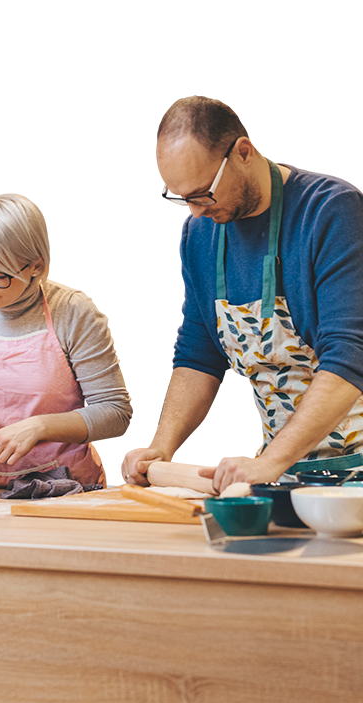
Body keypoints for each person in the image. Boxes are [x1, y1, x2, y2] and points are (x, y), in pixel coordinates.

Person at [122, 93, 363, 493]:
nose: (196, 211)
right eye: (181, 198)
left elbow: (350, 355)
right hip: (282, 475)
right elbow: (200, 352)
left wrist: (270, 461)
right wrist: (159, 448)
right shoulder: (199, 234)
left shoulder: (332, 212)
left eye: (203, 193)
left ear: (243, 152)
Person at [0, 190, 133, 491]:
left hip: (66, 486)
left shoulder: (73, 312)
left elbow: (115, 412)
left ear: (35, 267)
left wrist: (40, 428)